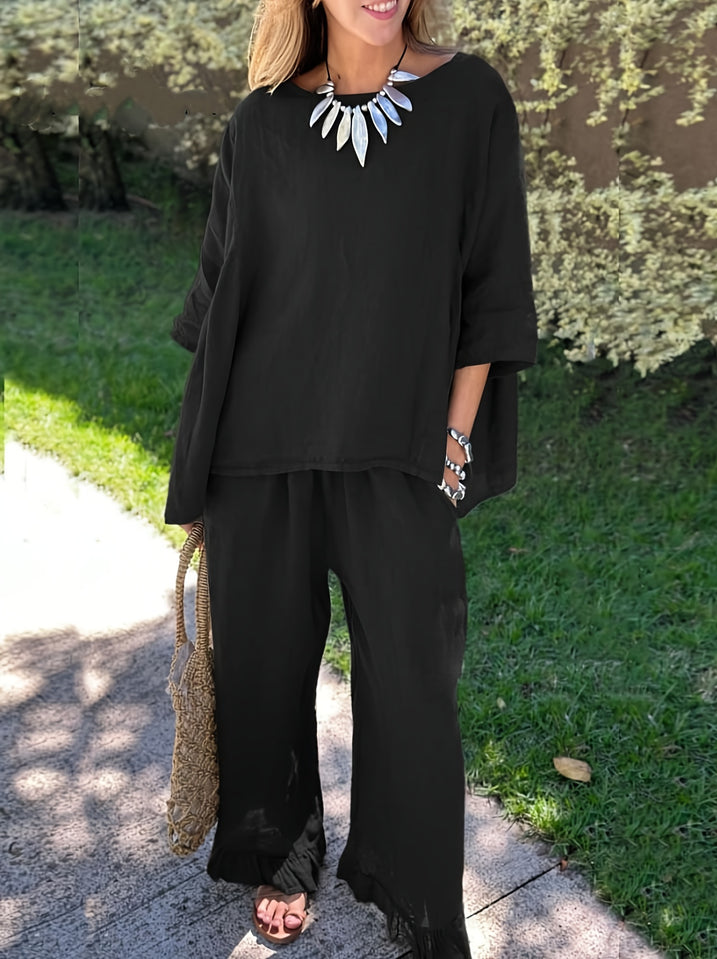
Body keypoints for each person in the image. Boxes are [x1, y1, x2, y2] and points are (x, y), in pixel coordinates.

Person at [164, 0, 538, 954]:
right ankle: (281, 853)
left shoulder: (470, 99)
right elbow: (223, 295)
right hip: (261, 451)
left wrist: (452, 445)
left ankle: (416, 894)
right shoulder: (259, 123)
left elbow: (492, 282)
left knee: (415, 680)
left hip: (404, 454)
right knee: (261, 667)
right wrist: (203, 471)